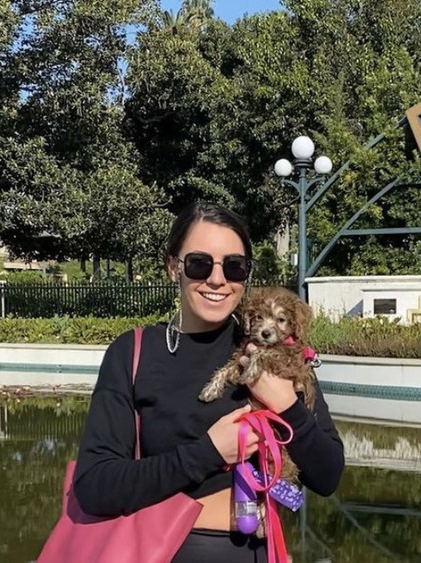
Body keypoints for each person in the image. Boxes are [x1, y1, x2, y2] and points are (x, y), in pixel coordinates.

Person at [72, 202, 345, 562]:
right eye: (199, 264)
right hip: (160, 551)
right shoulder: (133, 352)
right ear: (174, 267)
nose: (217, 279)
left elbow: (327, 476)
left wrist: (286, 406)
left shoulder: (275, 353)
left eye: (234, 266)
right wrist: (210, 452)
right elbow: (95, 486)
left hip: (256, 552)